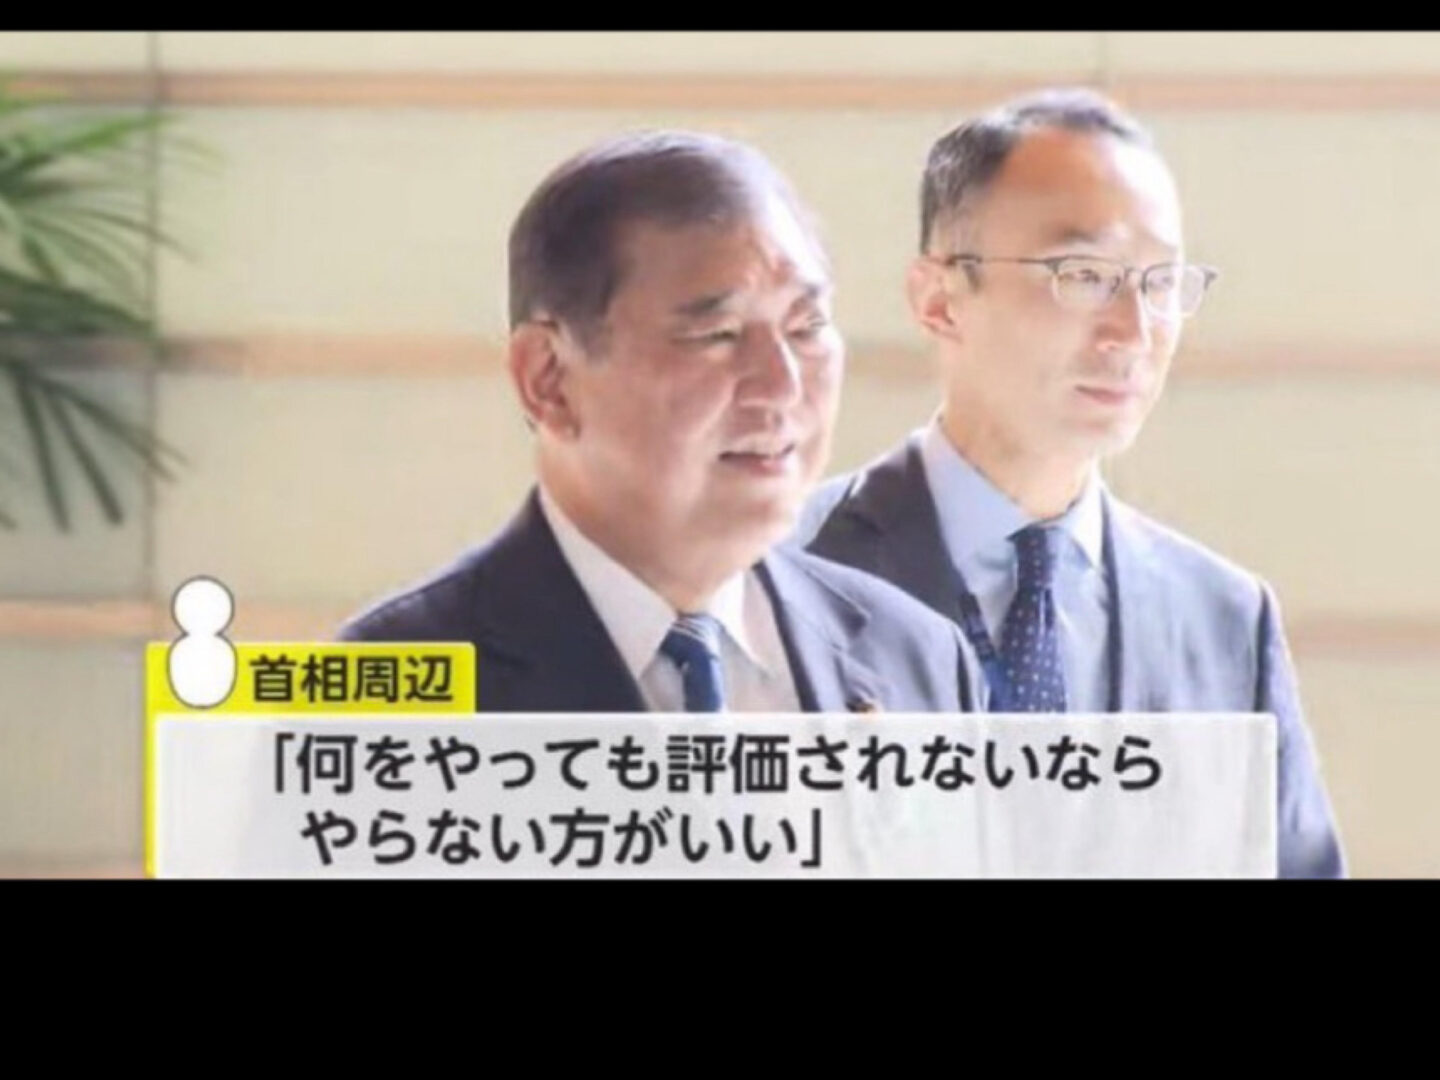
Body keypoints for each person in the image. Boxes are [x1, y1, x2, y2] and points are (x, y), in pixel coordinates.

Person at [796, 89, 1344, 878]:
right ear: (940, 299)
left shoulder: (1224, 620)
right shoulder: (780, 579)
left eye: (1161, 282)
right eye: (1083, 275)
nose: (1132, 330)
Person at [341, 130, 968, 716]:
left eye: (806, 328)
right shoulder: (378, 692)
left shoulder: (919, 658)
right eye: (717, 335)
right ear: (549, 379)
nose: (782, 386)